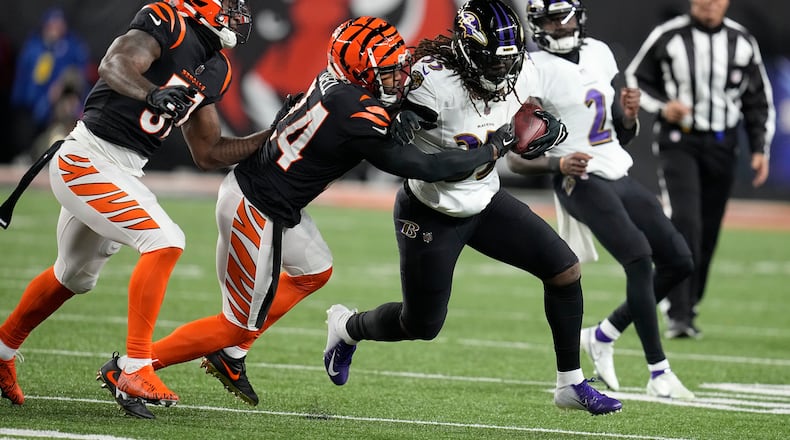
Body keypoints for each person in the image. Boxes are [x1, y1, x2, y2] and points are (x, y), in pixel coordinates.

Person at [95, 15, 518, 419]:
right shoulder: (357, 111)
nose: (399, 78)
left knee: (315, 270)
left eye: (398, 67)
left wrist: (404, 114)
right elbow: (424, 166)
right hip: (256, 208)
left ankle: (233, 353)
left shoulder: (341, 85)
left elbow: (369, 115)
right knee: (232, 325)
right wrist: (494, 148)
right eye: (388, 71)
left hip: (276, 202)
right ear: (363, 72)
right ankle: (132, 367)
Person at [322, 0, 622, 416]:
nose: (503, 72)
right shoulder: (430, 82)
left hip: (484, 200)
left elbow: (538, 108)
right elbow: (371, 97)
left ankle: (569, 383)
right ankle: (347, 328)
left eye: (508, 63)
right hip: (430, 210)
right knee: (421, 325)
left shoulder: (523, 69)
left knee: (565, 269)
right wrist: (395, 117)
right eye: (493, 63)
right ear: (466, 51)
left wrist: (547, 126)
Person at [0, 0, 264, 410]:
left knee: (74, 276)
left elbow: (210, 151)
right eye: (229, 4)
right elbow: (115, 64)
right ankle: (136, 367)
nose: (238, 14)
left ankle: (1, 351)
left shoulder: (217, 67)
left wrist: (273, 135)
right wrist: (152, 93)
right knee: (165, 240)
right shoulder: (169, 23)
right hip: (88, 158)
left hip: (125, 169)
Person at [507, 0, 695, 399]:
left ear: (579, 15)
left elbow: (619, 135)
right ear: (537, 25)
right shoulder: (533, 69)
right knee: (639, 257)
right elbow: (516, 159)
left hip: (614, 167)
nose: (560, 25)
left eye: (565, 16)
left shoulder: (599, 53)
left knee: (679, 260)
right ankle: (658, 371)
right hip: (579, 179)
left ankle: (603, 334)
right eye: (550, 19)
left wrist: (628, 117)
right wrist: (557, 166)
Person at [624, 0, 775, 339]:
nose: (710, 3)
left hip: (724, 144)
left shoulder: (742, 40)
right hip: (681, 141)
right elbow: (636, 78)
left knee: (708, 230)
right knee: (686, 220)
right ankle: (677, 310)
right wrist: (664, 106)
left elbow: (758, 97)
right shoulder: (669, 35)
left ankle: (689, 305)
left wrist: (759, 148)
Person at [9, 7, 90, 161]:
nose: (55, 30)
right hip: (33, 103)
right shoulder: (34, 47)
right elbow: (25, 77)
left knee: (62, 128)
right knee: (28, 130)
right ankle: (28, 155)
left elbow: (78, 75)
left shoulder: (72, 47)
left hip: (61, 104)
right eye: (52, 25)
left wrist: (62, 90)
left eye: (59, 26)